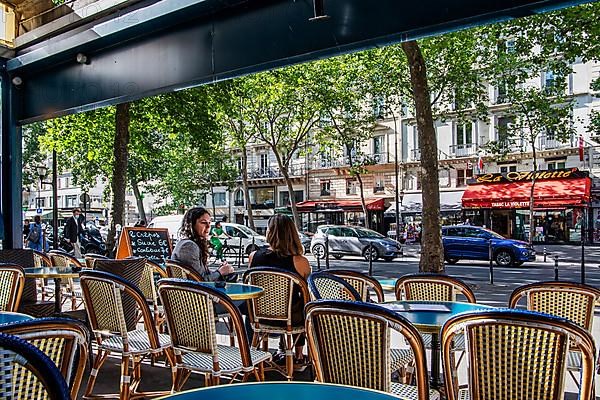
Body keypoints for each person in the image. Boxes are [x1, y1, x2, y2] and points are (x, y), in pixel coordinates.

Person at [248, 214, 311, 364]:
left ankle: (253, 353)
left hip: (259, 316)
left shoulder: (254, 256)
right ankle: (299, 354)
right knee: (302, 303)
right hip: (289, 319)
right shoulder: (300, 261)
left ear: (269, 232)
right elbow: (306, 293)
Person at [171, 207, 234, 281]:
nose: (208, 226)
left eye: (209, 223)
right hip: (193, 291)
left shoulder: (188, 243)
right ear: (191, 224)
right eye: (204, 222)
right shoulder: (189, 246)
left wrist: (219, 270)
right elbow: (201, 280)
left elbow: (200, 274)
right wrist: (220, 272)